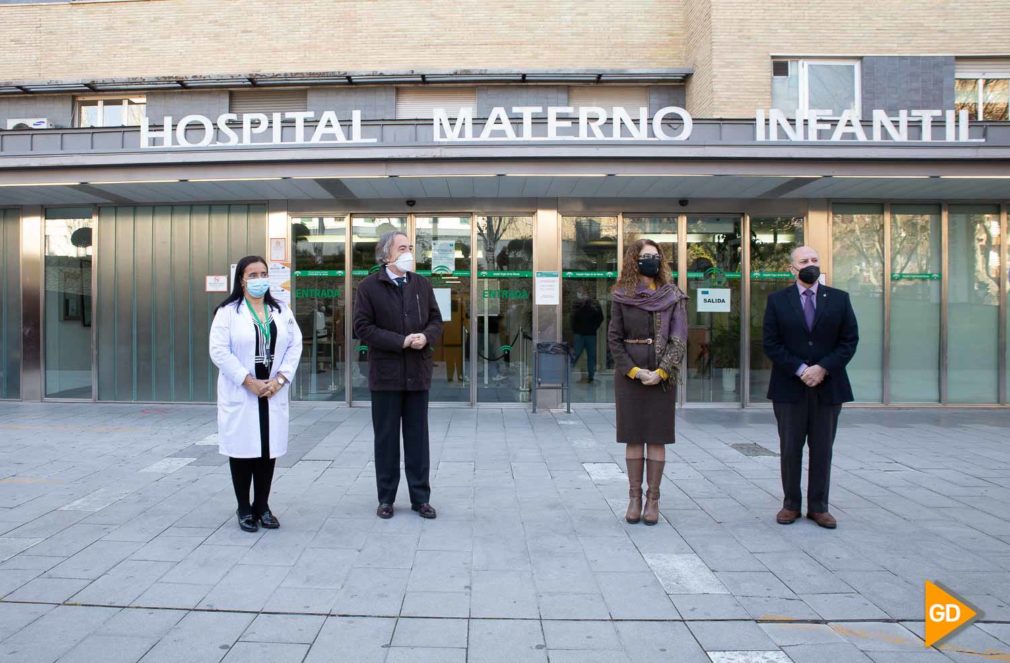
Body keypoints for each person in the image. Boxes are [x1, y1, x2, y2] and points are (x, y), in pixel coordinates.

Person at [762, 246, 858, 529]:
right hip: (790, 387)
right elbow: (771, 343)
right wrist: (801, 369)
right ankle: (791, 504)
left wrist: (823, 367)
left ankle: (819, 507)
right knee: (790, 447)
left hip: (829, 387)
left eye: (815, 260)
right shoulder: (777, 301)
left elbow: (849, 341)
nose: (811, 265)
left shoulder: (839, 299)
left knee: (822, 448)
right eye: (804, 261)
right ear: (793, 269)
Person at [353, 231, 443, 520]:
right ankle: (386, 499)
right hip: (386, 377)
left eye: (410, 248)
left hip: (417, 374)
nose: (409, 253)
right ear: (386, 255)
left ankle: (421, 499)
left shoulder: (421, 284)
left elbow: (436, 320)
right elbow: (362, 327)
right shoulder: (368, 287)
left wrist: (425, 337)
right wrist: (401, 341)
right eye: (402, 248)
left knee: (418, 440)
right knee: (387, 439)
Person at [210, 256, 302, 532]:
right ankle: (243, 508)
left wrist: (280, 379)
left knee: (267, 450)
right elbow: (219, 351)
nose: (259, 279)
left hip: (272, 391)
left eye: (263, 273)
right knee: (242, 451)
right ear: (241, 280)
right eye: (253, 275)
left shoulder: (281, 310)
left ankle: (262, 506)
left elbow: (294, 346)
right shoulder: (228, 312)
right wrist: (248, 381)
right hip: (243, 391)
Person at [608, 239, 688, 526]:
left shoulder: (672, 295)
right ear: (634, 260)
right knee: (633, 437)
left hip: (661, 377)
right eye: (645, 256)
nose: (650, 260)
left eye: (655, 256)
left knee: (656, 437)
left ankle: (653, 500)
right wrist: (634, 371)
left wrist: (662, 371)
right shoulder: (621, 295)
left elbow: (679, 338)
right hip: (630, 377)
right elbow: (614, 339)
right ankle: (634, 498)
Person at [571, 291, 604, 383]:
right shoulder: (577, 304)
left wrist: (594, 327)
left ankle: (591, 376)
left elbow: (600, 318)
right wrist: (575, 329)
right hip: (581, 334)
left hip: (589, 334)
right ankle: (567, 373)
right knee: (576, 355)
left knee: (591, 356)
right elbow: (573, 317)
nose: (583, 295)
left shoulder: (594, 304)